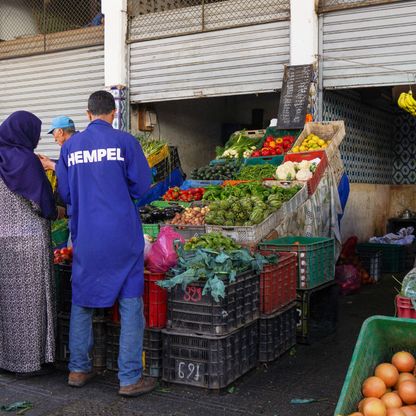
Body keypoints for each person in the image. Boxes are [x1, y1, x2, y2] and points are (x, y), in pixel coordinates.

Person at [56, 91, 154, 397]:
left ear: (87, 114)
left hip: (85, 237)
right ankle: (128, 379)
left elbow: (65, 194)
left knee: (82, 303)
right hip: (122, 237)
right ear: (113, 113)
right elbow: (141, 185)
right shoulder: (126, 142)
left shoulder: (70, 147)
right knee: (130, 305)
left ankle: (78, 370)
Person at [0, 111, 57, 375]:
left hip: (2, 242)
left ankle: (5, 359)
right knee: (31, 302)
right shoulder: (26, 161)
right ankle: (29, 361)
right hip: (29, 243)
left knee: (5, 303)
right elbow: (41, 203)